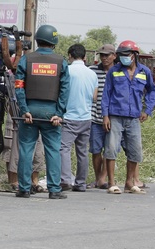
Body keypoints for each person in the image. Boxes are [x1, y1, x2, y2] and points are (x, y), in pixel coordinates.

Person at [14, 24, 70, 200]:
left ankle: (24, 188)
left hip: (30, 111)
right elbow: (64, 89)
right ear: (54, 42)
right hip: (51, 112)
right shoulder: (61, 61)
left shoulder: (26, 59)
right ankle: (54, 189)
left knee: (25, 149)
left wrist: (24, 109)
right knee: (53, 150)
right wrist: (59, 113)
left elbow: (19, 85)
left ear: (37, 40)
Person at [102, 40, 155, 195]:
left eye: (126, 54)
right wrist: (105, 116)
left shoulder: (144, 72)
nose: (123, 58)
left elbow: (152, 91)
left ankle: (129, 183)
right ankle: (112, 184)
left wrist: (148, 110)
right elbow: (106, 94)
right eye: (121, 55)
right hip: (115, 116)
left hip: (134, 118)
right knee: (111, 149)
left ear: (134, 55)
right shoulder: (114, 71)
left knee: (135, 151)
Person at [60, 44, 98, 192]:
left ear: (69, 56)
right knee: (82, 151)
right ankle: (81, 183)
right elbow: (94, 98)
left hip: (69, 116)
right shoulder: (92, 74)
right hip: (86, 117)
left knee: (64, 149)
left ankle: (65, 180)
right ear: (85, 57)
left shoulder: (67, 71)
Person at [88, 44, 116, 189]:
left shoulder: (118, 71)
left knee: (110, 149)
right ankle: (98, 177)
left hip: (113, 117)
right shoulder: (92, 70)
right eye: (102, 55)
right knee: (95, 149)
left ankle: (103, 178)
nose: (104, 58)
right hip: (95, 116)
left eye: (107, 55)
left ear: (114, 56)